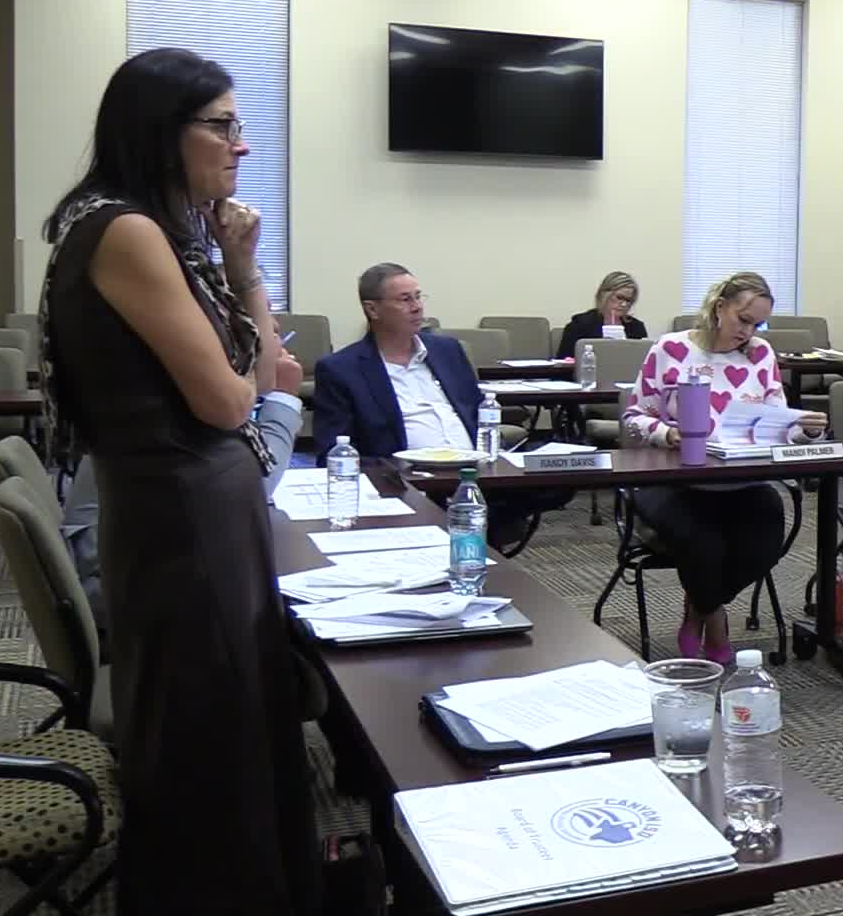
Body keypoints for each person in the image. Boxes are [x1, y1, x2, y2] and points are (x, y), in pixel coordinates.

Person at [36, 47, 317, 914]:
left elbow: (263, 374)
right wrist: (246, 353)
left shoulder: (166, 235)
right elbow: (232, 399)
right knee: (208, 741)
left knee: (238, 725)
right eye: (223, 125)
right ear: (163, 131)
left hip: (198, 509)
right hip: (181, 520)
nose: (242, 145)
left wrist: (241, 269)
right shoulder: (126, 231)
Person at [623, 272, 827, 664]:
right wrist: (668, 434)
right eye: (743, 320)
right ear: (720, 307)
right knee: (704, 540)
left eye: (757, 324)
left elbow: (777, 424)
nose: (747, 332)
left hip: (740, 479)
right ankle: (715, 620)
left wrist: (804, 430)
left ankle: (699, 607)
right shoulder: (671, 349)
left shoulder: (760, 354)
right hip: (675, 479)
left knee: (767, 534)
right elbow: (633, 419)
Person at [60, 324, 305, 638]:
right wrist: (283, 396)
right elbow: (252, 483)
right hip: (131, 596)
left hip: (139, 569)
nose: (279, 336)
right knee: (292, 623)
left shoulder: (166, 382)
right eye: (269, 328)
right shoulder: (185, 398)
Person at [313, 263, 559, 549]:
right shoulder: (342, 369)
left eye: (419, 296)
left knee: (560, 477)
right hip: (410, 483)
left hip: (478, 472)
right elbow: (331, 453)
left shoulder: (447, 350)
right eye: (405, 299)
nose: (417, 307)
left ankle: (478, 523)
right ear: (373, 309)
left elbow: (476, 413)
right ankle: (467, 528)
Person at [557, 270, 648, 357]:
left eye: (628, 300)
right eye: (619, 297)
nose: (624, 304)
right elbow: (563, 363)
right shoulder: (579, 325)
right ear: (604, 295)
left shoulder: (637, 328)